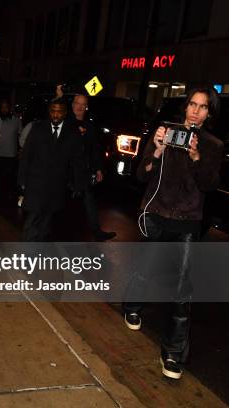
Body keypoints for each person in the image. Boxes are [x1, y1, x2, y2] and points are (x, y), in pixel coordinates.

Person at [123, 87, 223, 380]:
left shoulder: (213, 145)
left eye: (203, 107)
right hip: (157, 214)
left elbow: (208, 185)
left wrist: (195, 156)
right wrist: (156, 149)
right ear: (185, 107)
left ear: (209, 113)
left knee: (181, 289)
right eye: (192, 104)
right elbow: (142, 174)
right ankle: (132, 305)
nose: (195, 110)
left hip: (187, 221)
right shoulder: (165, 131)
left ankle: (173, 353)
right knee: (145, 267)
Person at [17, 98, 86, 241]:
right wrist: (22, 180)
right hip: (36, 184)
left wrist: (78, 184)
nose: (55, 115)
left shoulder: (72, 133)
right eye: (53, 111)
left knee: (46, 223)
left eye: (59, 112)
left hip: (56, 187)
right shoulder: (38, 128)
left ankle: (38, 254)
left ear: (65, 113)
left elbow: (77, 160)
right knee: (32, 220)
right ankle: (25, 255)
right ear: (49, 112)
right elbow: (26, 155)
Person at [70, 94, 116, 241]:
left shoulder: (89, 126)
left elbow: (94, 149)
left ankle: (96, 232)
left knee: (89, 199)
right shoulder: (65, 123)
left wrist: (98, 169)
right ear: (72, 105)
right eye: (78, 103)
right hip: (66, 171)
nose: (80, 107)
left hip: (83, 170)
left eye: (83, 104)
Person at [0, 99, 22, 198]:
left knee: (10, 177)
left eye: (6, 107)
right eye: (2, 107)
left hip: (11, 154)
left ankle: (9, 194)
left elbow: (20, 137)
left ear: (9, 109)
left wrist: (19, 150)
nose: (4, 109)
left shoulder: (16, 121)